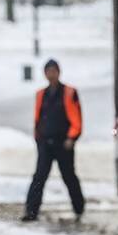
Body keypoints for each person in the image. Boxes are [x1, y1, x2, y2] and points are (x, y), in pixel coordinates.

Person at [22, 59, 84, 222]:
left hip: (64, 143)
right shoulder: (41, 94)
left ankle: (79, 208)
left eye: (53, 71)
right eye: (48, 71)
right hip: (45, 143)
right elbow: (38, 118)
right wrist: (38, 137)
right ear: (45, 74)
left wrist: (71, 138)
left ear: (58, 72)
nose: (51, 74)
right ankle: (31, 211)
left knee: (69, 176)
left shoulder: (69, 92)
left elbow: (77, 120)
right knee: (39, 176)